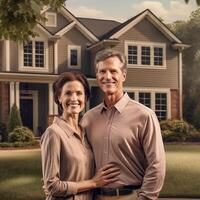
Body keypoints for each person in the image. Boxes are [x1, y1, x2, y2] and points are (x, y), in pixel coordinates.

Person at [81, 49, 166, 200]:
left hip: (130, 196)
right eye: (102, 72)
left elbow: (157, 165)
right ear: (97, 76)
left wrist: (145, 198)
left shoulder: (144, 116)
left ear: (123, 75)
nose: (108, 77)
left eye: (113, 71)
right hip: (96, 196)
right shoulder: (88, 119)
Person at [41, 72, 120, 200]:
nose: (74, 98)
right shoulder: (53, 133)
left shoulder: (86, 132)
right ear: (59, 98)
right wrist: (93, 183)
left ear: (85, 98)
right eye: (68, 93)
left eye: (79, 93)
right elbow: (52, 186)